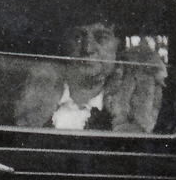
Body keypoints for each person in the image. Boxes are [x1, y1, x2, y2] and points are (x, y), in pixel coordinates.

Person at [13, 14, 165, 132]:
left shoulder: (133, 111)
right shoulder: (29, 100)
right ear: (65, 45)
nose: (88, 49)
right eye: (78, 37)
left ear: (117, 49)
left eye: (101, 38)